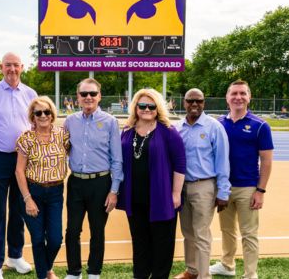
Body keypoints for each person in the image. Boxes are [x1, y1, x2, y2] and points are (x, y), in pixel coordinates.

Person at [116, 88, 186, 279]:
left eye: (151, 106)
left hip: (161, 199)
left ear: (158, 108)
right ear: (136, 108)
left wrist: (176, 194)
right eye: (142, 105)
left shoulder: (169, 132)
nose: (146, 109)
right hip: (135, 199)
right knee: (140, 245)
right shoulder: (127, 131)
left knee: (162, 247)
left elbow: (180, 164)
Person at [0, 52, 35, 279]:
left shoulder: (30, 93)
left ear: (22, 67)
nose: (12, 69)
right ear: (1, 67)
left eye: (16, 65)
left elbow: (36, 124)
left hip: (23, 159)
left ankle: (15, 255)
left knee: (19, 209)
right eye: (8, 65)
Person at [211, 80, 274, 279]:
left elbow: (266, 160)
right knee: (226, 230)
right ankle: (227, 265)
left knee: (249, 234)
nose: (238, 97)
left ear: (249, 97)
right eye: (234, 93)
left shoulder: (260, 126)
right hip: (223, 188)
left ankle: (250, 274)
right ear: (227, 98)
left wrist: (260, 191)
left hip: (248, 187)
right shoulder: (218, 124)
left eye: (243, 94)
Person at [63, 78, 123, 279]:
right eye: (84, 94)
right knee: (72, 230)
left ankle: (94, 272)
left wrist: (113, 191)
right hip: (76, 182)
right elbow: (60, 151)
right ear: (77, 97)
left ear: (99, 97)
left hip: (101, 183)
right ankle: (74, 272)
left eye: (93, 94)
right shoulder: (70, 121)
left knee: (97, 231)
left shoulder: (110, 122)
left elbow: (117, 159)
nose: (88, 97)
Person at [174, 88, 231, 279]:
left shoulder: (213, 127)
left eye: (198, 101)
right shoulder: (177, 127)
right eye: (190, 100)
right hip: (182, 187)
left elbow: (222, 160)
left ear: (204, 103)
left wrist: (223, 192)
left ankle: (204, 276)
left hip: (204, 186)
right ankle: (192, 270)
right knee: (187, 232)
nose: (194, 104)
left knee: (201, 234)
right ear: (184, 102)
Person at [15, 96, 70, 279]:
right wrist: (27, 199)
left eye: (46, 111)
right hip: (33, 192)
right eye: (38, 112)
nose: (43, 115)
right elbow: (19, 171)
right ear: (33, 116)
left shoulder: (62, 135)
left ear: (52, 114)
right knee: (38, 239)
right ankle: (44, 274)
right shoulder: (26, 139)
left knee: (55, 239)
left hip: (55, 192)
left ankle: (47, 269)